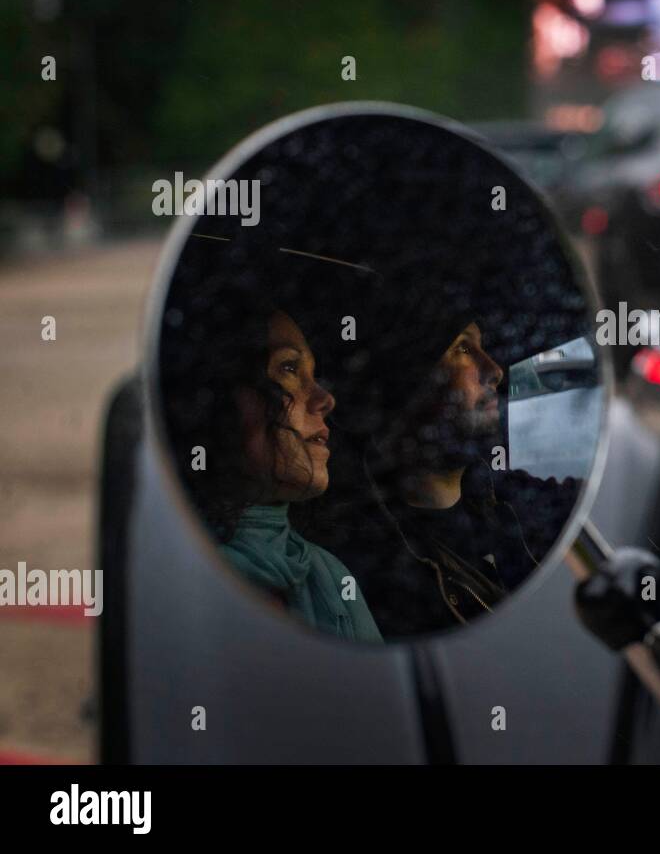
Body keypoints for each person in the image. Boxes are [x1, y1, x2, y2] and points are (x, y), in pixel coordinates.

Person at [314, 274, 579, 637]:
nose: (495, 370)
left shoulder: (514, 502)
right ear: (407, 383)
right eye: (462, 349)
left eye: (481, 347)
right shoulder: (374, 572)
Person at [164, 282, 384, 643]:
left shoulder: (327, 575)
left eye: (313, 375)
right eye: (288, 369)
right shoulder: (179, 579)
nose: (325, 399)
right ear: (218, 400)